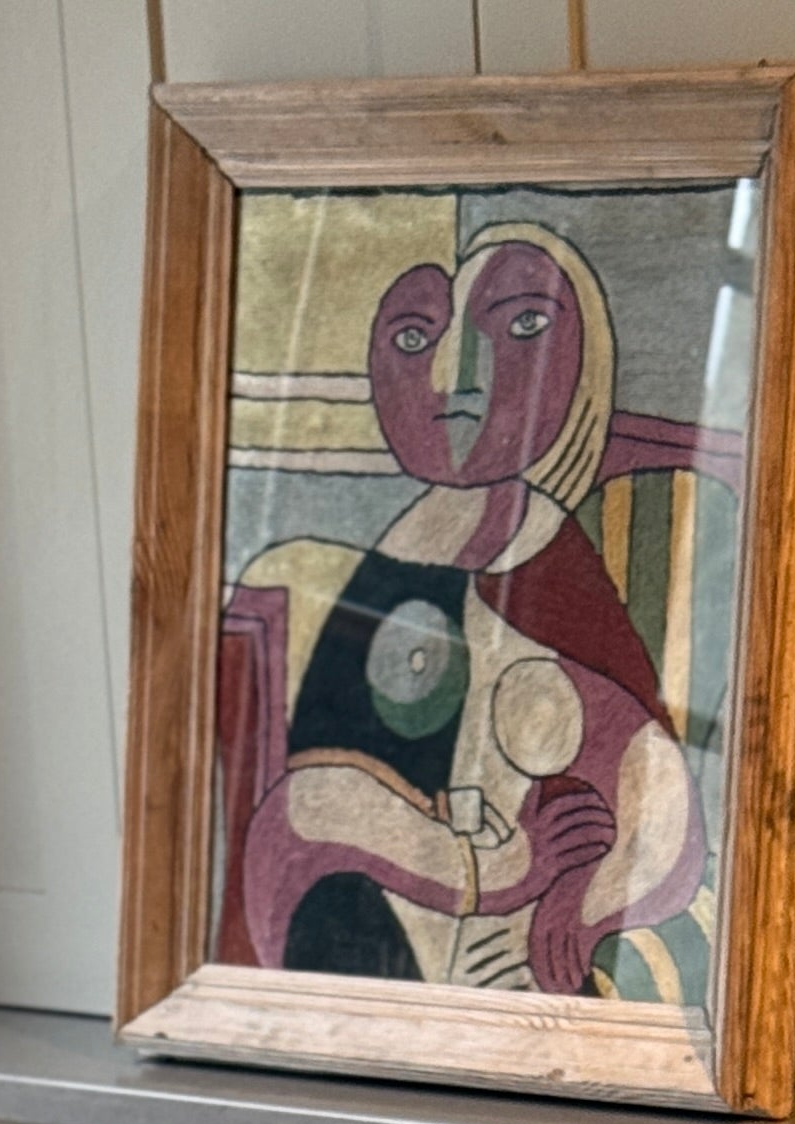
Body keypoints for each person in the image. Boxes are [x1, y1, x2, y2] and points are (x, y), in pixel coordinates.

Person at [217, 222, 710, 1000]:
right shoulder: (391, 557)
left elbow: (659, 801)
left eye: (521, 327)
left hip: (506, 962)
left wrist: (580, 904)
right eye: (414, 339)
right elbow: (303, 813)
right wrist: (483, 868)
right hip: (360, 947)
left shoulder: (545, 556)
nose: (456, 378)